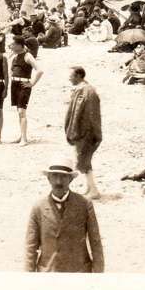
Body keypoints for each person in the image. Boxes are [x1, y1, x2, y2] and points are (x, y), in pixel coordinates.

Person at [24, 162, 104, 273]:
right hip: (48, 274)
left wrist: (99, 275)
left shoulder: (84, 204)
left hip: (79, 273)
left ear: (71, 179)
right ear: (48, 179)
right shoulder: (38, 208)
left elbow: (95, 243)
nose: (58, 181)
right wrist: (28, 277)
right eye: (55, 176)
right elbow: (31, 247)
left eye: (63, 176)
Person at [64, 66, 102, 199]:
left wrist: (77, 131)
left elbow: (87, 115)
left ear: (79, 76)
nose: (69, 78)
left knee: (83, 160)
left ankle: (94, 190)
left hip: (85, 131)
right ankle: (89, 187)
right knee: (83, 159)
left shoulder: (85, 91)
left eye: (72, 75)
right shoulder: (84, 90)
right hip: (83, 130)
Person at [9, 36, 44, 146]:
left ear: (19, 45)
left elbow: (40, 70)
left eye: (13, 44)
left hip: (23, 85)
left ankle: (24, 139)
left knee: (21, 112)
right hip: (15, 84)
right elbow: (11, 70)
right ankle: (21, 135)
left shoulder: (27, 56)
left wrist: (32, 83)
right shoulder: (15, 56)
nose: (12, 46)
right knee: (19, 111)